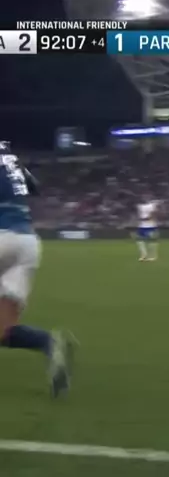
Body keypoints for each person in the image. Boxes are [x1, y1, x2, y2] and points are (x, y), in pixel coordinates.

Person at [0, 149, 74, 398]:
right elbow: (34, 186)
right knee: (3, 329)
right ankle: (49, 342)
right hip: (27, 243)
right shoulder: (11, 159)